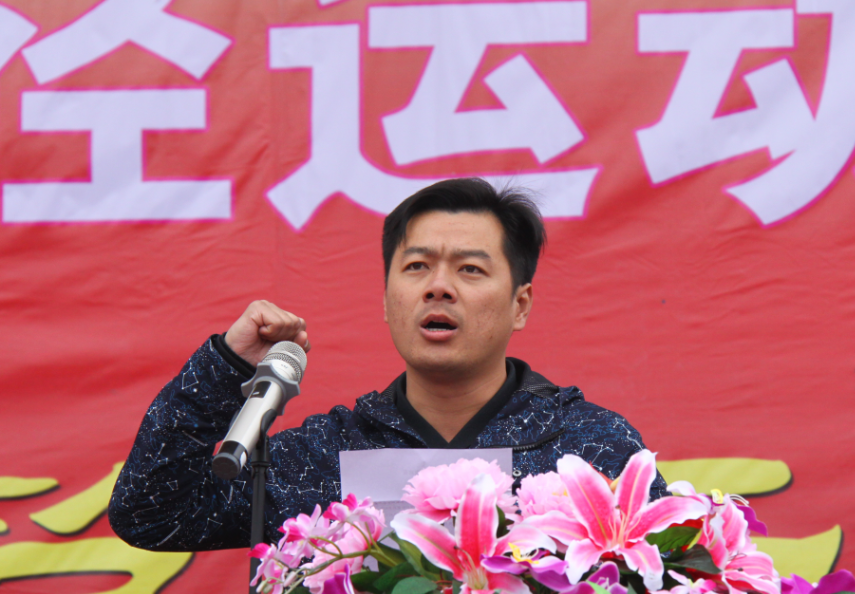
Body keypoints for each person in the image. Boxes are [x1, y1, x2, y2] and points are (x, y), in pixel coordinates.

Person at [109, 178, 667, 551]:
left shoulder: (589, 448)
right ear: (385, 299)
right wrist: (224, 368)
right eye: (417, 266)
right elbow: (152, 514)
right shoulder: (325, 454)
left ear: (520, 304)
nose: (438, 287)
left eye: (470, 270)